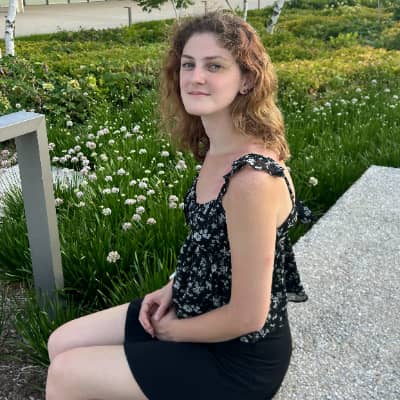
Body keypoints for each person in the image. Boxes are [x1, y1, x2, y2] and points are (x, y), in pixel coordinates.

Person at [45, 11, 313, 400]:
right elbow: (211, 251)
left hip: (237, 358)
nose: (195, 77)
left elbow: (247, 316)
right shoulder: (219, 148)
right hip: (195, 306)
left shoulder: (251, 179)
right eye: (188, 64)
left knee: (67, 373)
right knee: (61, 342)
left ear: (247, 79)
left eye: (214, 66)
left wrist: (173, 332)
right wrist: (171, 287)